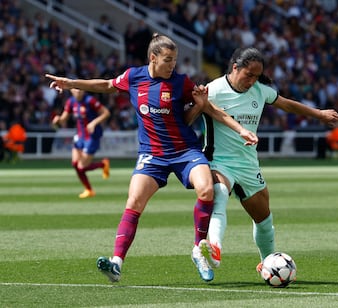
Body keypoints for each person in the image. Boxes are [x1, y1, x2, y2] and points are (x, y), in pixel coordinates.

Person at [45, 33, 258, 283]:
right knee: (134, 202)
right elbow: (105, 85)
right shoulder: (134, 77)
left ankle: (198, 249)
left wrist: (241, 129)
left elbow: (211, 109)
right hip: (152, 154)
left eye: (175, 60)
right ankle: (116, 264)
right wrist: (71, 83)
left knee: (206, 189)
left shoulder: (181, 82)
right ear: (153, 58)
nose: (172, 65)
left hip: (185, 151)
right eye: (168, 60)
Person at [187, 47, 338, 279]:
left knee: (264, 220)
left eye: (257, 77)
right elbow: (187, 119)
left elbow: (287, 104)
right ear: (235, 68)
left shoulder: (261, 92)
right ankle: (215, 248)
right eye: (249, 75)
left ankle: (268, 263)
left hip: (248, 165)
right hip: (218, 160)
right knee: (219, 192)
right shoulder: (212, 90)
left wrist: (319, 114)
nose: (252, 81)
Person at [52, 88, 111, 198]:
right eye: (76, 90)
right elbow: (64, 119)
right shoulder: (71, 102)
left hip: (92, 137)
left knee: (81, 167)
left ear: (84, 91)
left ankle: (103, 164)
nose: (78, 92)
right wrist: (58, 120)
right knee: (75, 164)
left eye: (80, 90)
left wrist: (94, 123)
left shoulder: (90, 100)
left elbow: (106, 113)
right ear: (71, 91)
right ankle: (89, 190)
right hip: (79, 136)